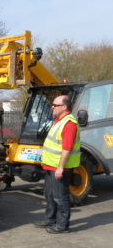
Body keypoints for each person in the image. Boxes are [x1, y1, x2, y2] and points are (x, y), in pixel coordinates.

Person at [34, 95, 80, 234]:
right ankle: (50, 219)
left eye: (55, 105)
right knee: (49, 194)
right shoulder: (59, 121)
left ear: (64, 107)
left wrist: (60, 167)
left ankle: (62, 225)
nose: (52, 107)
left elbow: (67, 148)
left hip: (59, 168)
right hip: (50, 165)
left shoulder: (69, 123)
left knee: (60, 197)